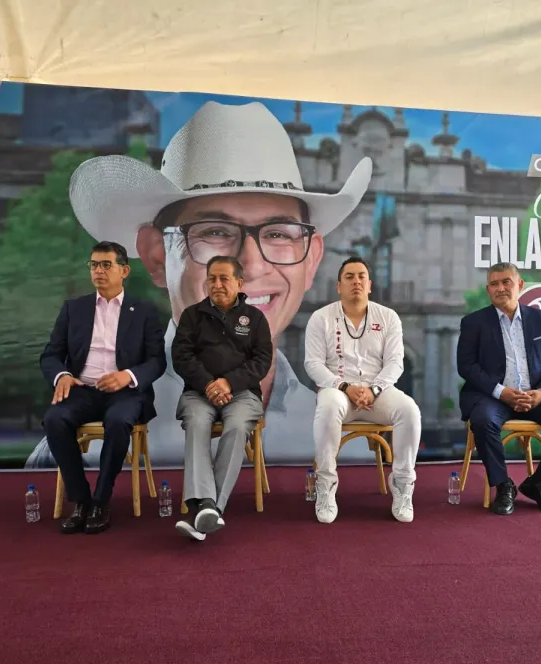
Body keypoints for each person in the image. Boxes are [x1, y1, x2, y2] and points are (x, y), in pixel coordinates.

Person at [25, 100, 374, 469]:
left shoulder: (348, 444)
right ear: (157, 256)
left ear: (311, 259)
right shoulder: (84, 448)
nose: (250, 267)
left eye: (278, 234)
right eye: (216, 232)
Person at [39, 241, 167, 533]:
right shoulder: (74, 309)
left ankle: (101, 500)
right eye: (94, 265)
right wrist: (62, 375)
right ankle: (81, 500)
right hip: (82, 390)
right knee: (54, 419)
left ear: (124, 271)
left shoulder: (144, 311)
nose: (98, 271)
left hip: (124, 393)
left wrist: (128, 376)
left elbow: (157, 361)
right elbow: (50, 355)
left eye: (106, 265)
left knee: (119, 421)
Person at [456, 262, 541, 515]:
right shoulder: (473, 322)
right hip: (493, 396)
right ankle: (503, 486)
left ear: (519, 285)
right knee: (483, 421)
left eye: (506, 282)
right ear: (488, 290)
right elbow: (467, 367)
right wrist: (502, 392)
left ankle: (539, 483)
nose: (500, 288)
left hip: (536, 396)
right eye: (494, 284)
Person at [303, 256, 422, 523]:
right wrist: (344, 386)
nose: (356, 281)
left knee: (409, 411)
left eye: (361, 277)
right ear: (338, 286)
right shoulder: (320, 318)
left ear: (370, 285)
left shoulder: (388, 317)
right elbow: (313, 364)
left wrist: (374, 389)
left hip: (377, 392)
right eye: (349, 277)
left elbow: (395, 363)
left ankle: (403, 485)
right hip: (338, 390)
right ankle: (326, 486)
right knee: (328, 405)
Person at [170, 256, 272, 541]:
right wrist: (208, 384)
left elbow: (262, 361)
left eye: (224, 278)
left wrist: (229, 382)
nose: (217, 284)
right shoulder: (192, 316)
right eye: (212, 278)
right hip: (198, 392)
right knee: (196, 422)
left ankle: (208, 506)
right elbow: (182, 357)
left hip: (243, 394)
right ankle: (208, 508)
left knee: (238, 426)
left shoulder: (255, 319)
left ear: (239, 283)